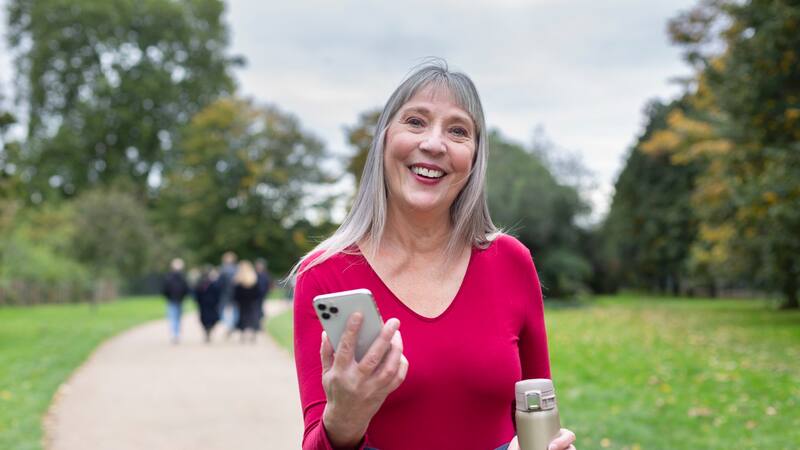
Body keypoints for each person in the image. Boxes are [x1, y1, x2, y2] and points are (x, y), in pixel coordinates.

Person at [290, 61, 577, 450]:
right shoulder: (324, 274)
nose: (434, 144)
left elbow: (539, 415)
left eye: (458, 131)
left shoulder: (511, 261)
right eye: (415, 122)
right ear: (384, 140)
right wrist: (345, 416)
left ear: (474, 157)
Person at [162, 258, 189, 344]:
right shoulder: (182, 277)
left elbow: (165, 290)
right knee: (177, 317)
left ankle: (174, 334)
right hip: (178, 300)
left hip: (173, 300)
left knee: (173, 317)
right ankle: (176, 334)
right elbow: (186, 289)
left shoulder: (169, 277)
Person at [233, 260, 261, 343]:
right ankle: (253, 333)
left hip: (242, 302)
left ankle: (243, 333)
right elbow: (257, 291)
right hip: (252, 301)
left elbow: (236, 292)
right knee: (252, 316)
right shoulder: (253, 277)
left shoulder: (239, 278)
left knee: (243, 317)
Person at [193, 266, 222, 343]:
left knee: (208, 318)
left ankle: (208, 329)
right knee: (208, 318)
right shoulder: (203, 283)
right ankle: (208, 329)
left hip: (208, 304)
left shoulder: (208, 283)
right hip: (207, 304)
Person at [218, 251, 239, 335]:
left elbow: (219, 283)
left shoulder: (223, 270)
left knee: (221, 310)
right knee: (235, 310)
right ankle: (232, 325)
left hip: (225, 293)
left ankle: (229, 325)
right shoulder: (236, 269)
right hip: (234, 293)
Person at [255, 258, 272, 329]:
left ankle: (259, 323)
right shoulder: (255, 274)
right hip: (255, 295)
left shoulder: (265, 275)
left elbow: (268, 285)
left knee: (259, 308)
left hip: (261, 294)